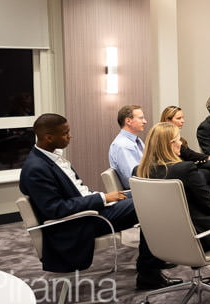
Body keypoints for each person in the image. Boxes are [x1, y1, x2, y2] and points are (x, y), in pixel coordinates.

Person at [20, 113, 181, 290]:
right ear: (48, 137)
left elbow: (76, 192)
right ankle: (148, 273)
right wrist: (103, 198)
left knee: (146, 196)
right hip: (78, 222)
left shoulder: (50, 156)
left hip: (90, 209)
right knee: (150, 206)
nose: (70, 135)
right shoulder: (36, 169)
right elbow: (55, 209)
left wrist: (101, 198)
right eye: (65, 133)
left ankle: (154, 258)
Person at [137, 122, 210, 292]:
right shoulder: (184, 169)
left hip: (162, 240)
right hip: (198, 239)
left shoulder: (140, 172)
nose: (181, 144)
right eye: (177, 140)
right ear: (170, 144)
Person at [160, 105, 210, 210]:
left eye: (182, 117)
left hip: (187, 167)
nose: (183, 121)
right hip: (181, 172)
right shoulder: (166, 139)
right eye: (179, 118)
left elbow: (193, 156)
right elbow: (193, 156)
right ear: (168, 120)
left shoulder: (180, 140)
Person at [108, 105, 147, 189]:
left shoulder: (136, 141)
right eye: (141, 118)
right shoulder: (122, 145)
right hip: (137, 192)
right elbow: (134, 178)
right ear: (128, 121)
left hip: (143, 187)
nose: (145, 121)